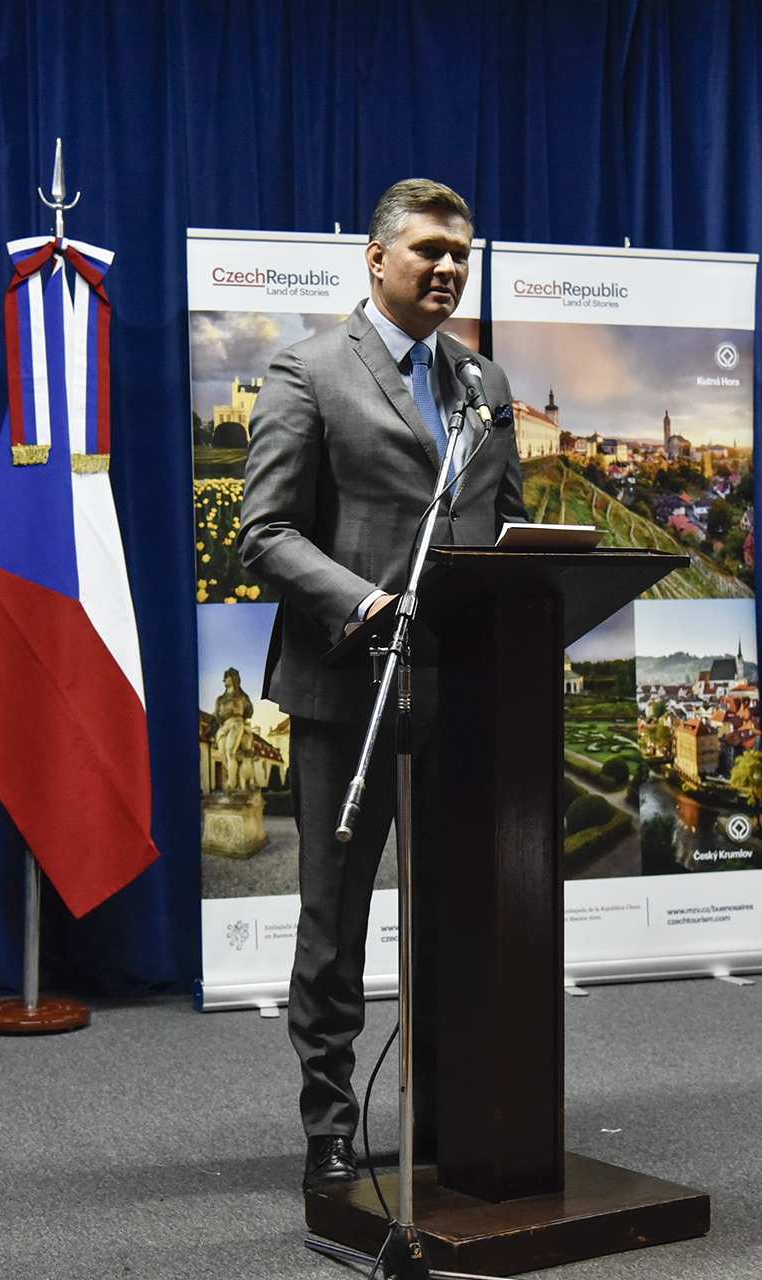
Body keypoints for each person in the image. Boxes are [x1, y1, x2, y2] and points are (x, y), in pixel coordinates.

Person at [239, 179, 527, 1191]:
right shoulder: (308, 367)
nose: (449, 266)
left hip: (468, 692)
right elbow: (264, 531)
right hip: (347, 690)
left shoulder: (484, 384)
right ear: (376, 258)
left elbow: (512, 534)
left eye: (462, 252)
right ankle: (328, 1120)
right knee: (335, 922)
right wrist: (364, 603)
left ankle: (447, 1103)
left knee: (463, 913)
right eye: (430, 250)